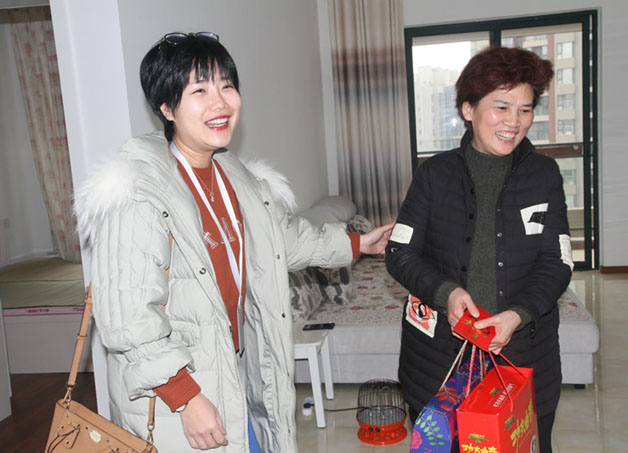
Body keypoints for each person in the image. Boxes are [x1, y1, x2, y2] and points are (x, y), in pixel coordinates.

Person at [74, 32, 392, 453]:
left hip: (235, 371)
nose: (220, 102)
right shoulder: (138, 191)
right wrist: (185, 396)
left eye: (226, 85)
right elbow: (128, 317)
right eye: (199, 91)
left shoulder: (234, 176)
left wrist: (356, 244)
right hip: (177, 394)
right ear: (166, 108)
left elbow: (280, 240)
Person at [385, 46, 572, 453]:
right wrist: (446, 293)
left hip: (522, 356)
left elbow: (557, 262)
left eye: (525, 109)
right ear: (468, 109)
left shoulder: (544, 175)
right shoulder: (434, 175)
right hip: (439, 361)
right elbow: (399, 254)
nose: (514, 122)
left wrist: (517, 315)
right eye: (501, 107)